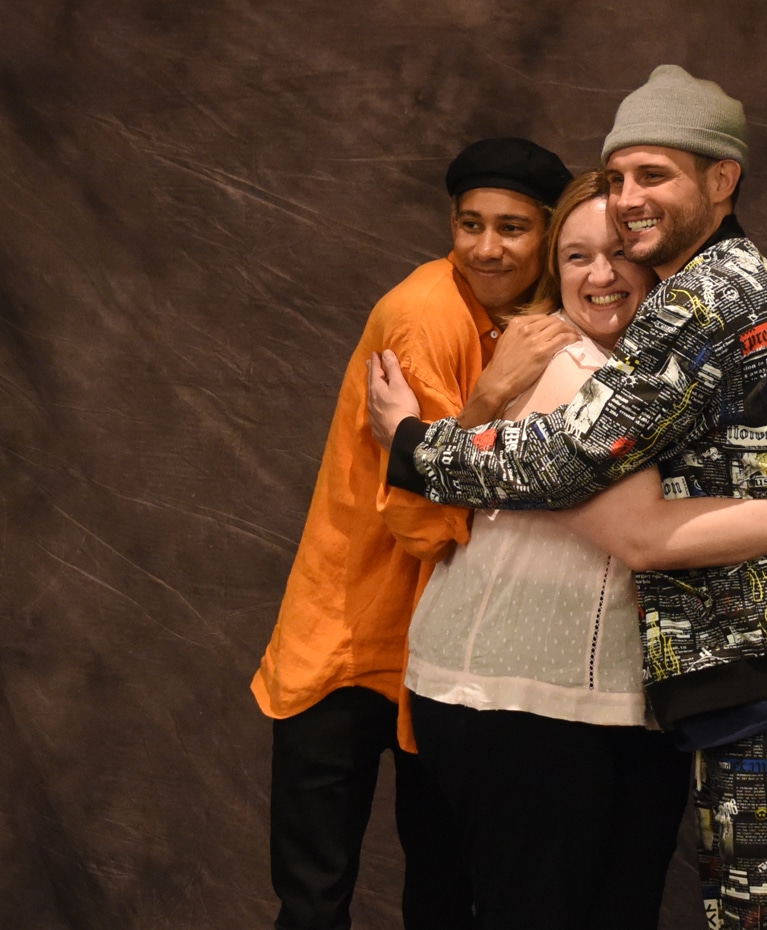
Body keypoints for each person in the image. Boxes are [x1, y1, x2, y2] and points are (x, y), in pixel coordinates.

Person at [369, 67, 767, 930]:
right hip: (749, 682)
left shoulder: (705, 292)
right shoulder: (690, 297)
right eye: (615, 181)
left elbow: (576, 462)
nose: (627, 203)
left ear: (722, 180)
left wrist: (415, 445)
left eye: (652, 176)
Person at [251, 137, 579, 930]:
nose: (486, 248)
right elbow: (424, 518)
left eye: (512, 228)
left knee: (445, 889)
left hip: (444, 647)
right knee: (315, 900)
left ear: (547, 236)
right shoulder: (426, 315)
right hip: (351, 636)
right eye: (471, 225)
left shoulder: (536, 321)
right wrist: (491, 397)